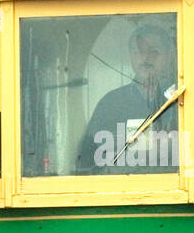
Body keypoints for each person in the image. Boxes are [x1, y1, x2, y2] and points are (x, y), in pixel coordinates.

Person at [75, 21, 179, 172]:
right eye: (138, 52)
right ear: (130, 56)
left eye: (154, 51)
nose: (146, 58)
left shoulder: (186, 99)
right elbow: (86, 163)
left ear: (170, 55)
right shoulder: (110, 104)